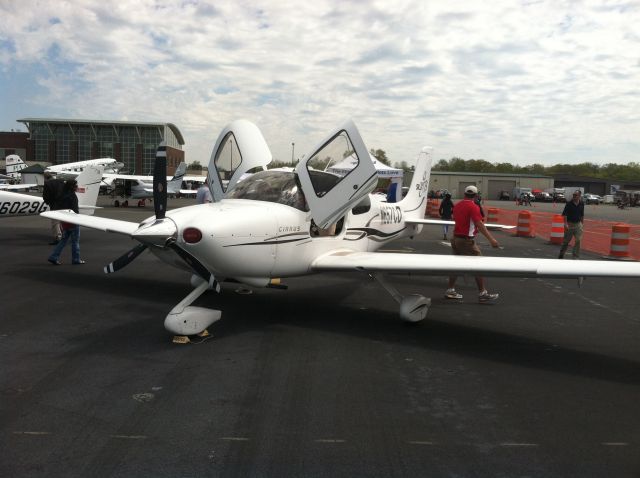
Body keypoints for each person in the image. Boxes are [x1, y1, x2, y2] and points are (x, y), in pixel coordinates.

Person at [445, 185, 500, 303]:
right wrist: (492, 240)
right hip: (466, 241)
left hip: (455, 238)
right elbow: (479, 224)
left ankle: (450, 290)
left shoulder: (458, 205)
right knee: (478, 265)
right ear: (475, 196)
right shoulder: (473, 207)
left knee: (455, 265)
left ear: (465, 194)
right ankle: (482, 293)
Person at [47, 179, 85, 265]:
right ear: (72, 187)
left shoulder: (62, 195)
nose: (77, 187)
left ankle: (54, 256)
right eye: (76, 185)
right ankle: (76, 259)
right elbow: (75, 210)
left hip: (65, 221)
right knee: (75, 241)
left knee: (63, 241)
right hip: (73, 221)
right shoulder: (73, 196)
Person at [558, 190, 585, 259]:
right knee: (566, 241)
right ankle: (562, 253)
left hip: (578, 224)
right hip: (570, 224)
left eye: (576, 195)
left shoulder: (582, 204)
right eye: (573, 195)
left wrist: (582, 224)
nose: (574, 196)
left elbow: (582, 214)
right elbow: (565, 215)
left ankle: (575, 256)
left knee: (578, 240)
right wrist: (565, 223)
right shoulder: (569, 204)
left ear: (579, 196)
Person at [42, 171, 65, 244]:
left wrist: (48, 202)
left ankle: (58, 238)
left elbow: (46, 196)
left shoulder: (47, 184)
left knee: (55, 222)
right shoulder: (61, 181)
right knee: (62, 221)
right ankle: (64, 235)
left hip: (55, 205)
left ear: (45, 177)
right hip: (64, 204)